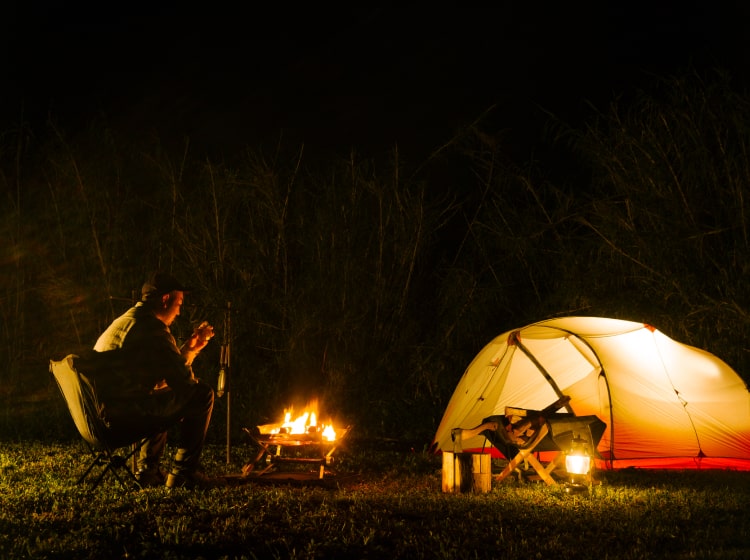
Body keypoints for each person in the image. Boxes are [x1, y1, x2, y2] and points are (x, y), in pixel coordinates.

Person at [92, 271, 223, 489]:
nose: (180, 311)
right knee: (202, 395)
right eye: (179, 303)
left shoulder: (123, 322)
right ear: (165, 300)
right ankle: (183, 474)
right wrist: (186, 369)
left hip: (100, 418)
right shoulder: (153, 330)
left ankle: (148, 471)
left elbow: (161, 377)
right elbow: (184, 384)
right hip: (124, 418)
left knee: (158, 393)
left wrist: (190, 349)